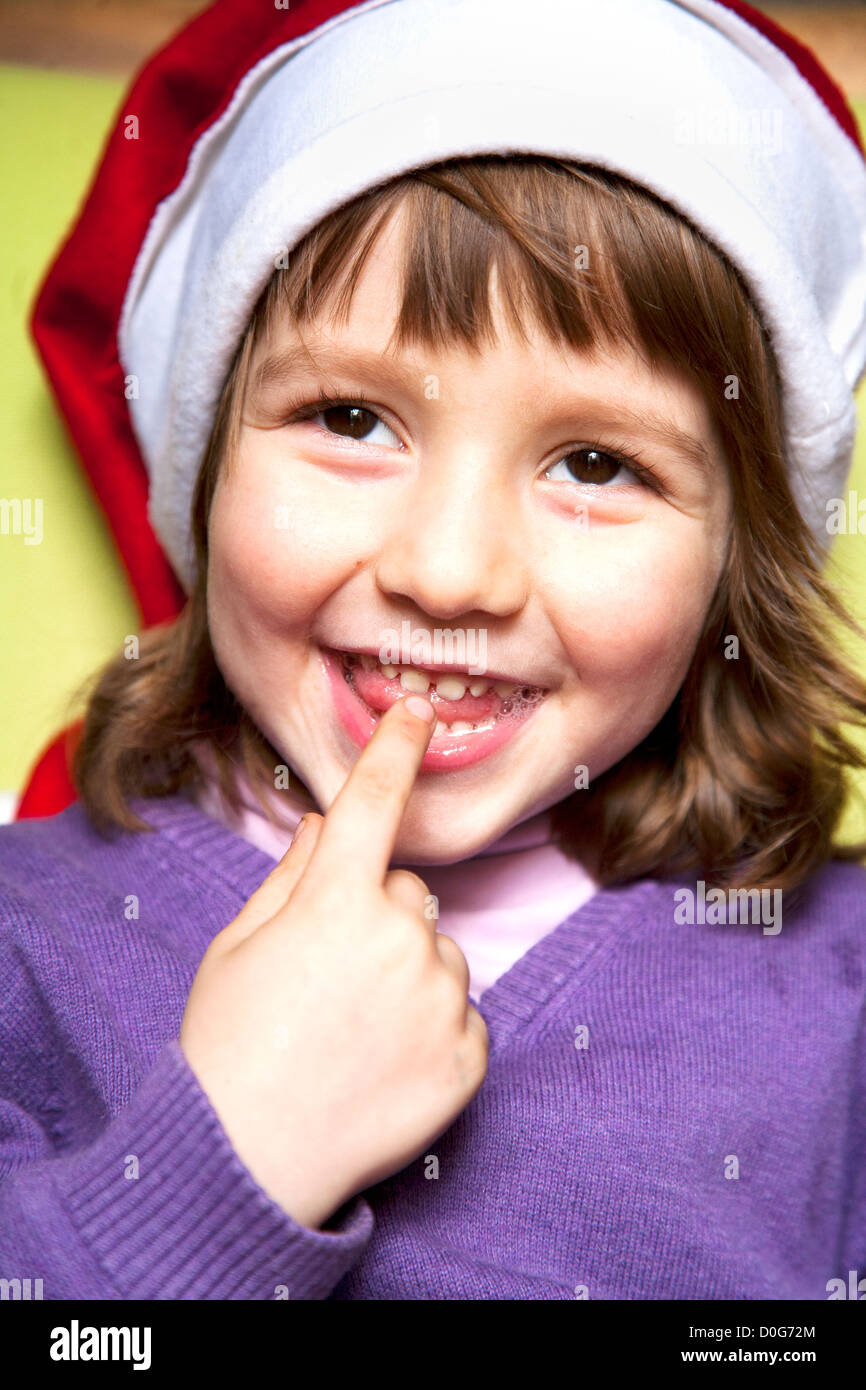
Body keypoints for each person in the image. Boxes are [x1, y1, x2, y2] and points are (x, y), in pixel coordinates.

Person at [2, 0, 866, 1299]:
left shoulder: (834, 994)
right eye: (348, 416)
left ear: (733, 569)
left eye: (595, 462)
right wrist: (215, 1165)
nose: (447, 569)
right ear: (200, 467)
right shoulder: (29, 936)